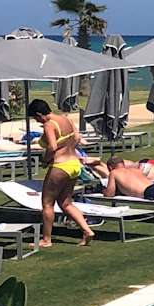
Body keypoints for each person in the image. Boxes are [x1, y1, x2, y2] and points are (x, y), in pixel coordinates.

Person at [29, 97, 94, 249]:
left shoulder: (49, 125)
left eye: (36, 118)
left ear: (39, 114)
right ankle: (87, 231)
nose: (37, 121)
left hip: (61, 165)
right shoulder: (66, 119)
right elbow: (77, 138)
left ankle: (46, 239)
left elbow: (52, 147)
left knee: (47, 203)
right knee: (65, 203)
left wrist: (45, 160)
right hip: (74, 164)